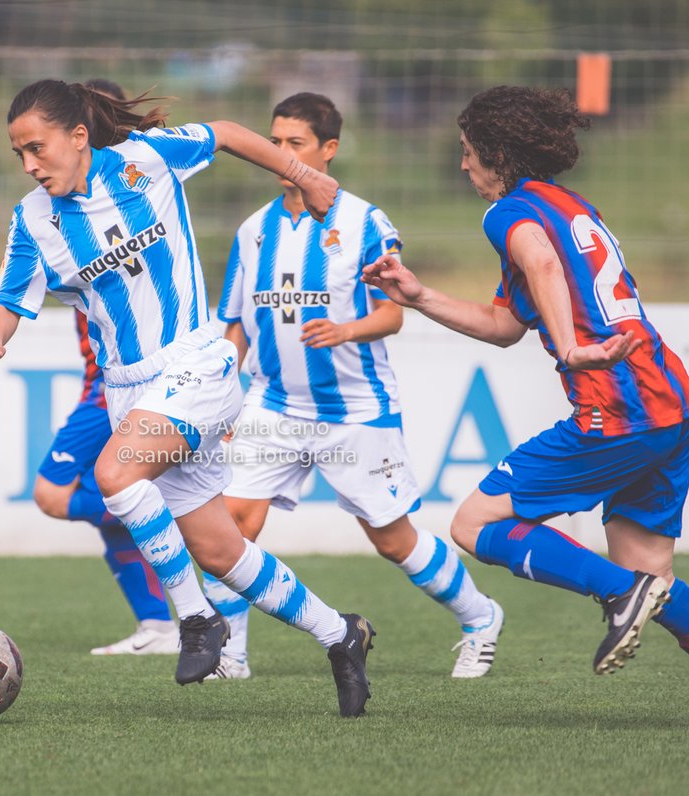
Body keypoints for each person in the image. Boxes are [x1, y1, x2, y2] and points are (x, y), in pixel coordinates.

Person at [362, 85, 689, 730]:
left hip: (617, 408)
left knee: (474, 525)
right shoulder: (569, 207)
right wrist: (420, 295)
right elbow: (504, 325)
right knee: (650, 575)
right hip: (672, 404)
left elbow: (541, 263)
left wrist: (570, 348)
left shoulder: (509, 213)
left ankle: (622, 594)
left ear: (497, 153)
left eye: (467, 151)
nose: (463, 165)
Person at [0, 79, 375, 717]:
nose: (29, 165)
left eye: (37, 148)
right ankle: (340, 634)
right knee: (220, 553)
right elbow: (10, 299)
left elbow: (226, 133)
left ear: (78, 136)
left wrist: (304, 175)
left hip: (196, 364)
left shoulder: (145, 159)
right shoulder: (33, 219)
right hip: (129, 391)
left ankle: (196, 619)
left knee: (115, 474)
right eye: (19, 154)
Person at [204, 92, 504, 682]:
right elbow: (235, 324)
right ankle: (231, 655)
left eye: (295, 143)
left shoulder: (365, 222)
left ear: (329, 149)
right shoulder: (253, 229)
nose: (280, 152)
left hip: (355, 409)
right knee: (231, 523)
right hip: (273, 404)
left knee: (392, 540)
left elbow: (392, 315)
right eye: (274, 141)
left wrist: (344, 329)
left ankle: (480, 616)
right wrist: (222, 400)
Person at [0, 263, 177, 657]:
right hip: (106, 383)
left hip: (115, 386)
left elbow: (110, 274)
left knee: (52, 493)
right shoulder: (81, 248)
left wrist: (22, 280)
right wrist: (23, 282)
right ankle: (158, 627)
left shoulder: (98, 232)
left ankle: (167, 514)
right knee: (109, 497)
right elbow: (94, 279)